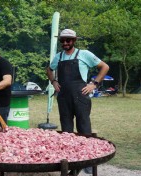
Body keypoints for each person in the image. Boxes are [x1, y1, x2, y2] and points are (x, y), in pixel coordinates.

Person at [47, 29, 109, 174]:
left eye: (68, 40)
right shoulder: (58, 57)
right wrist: (54, 81)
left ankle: (87, 161)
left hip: (81, 97)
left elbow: (104, 67)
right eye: (62, 40)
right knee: (67, 130)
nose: (65, 43)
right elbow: (49, 70)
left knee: (84, 128)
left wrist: (94, 84)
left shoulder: (84, 54)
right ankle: (70, 161)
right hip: (63, 98)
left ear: (74, 40)